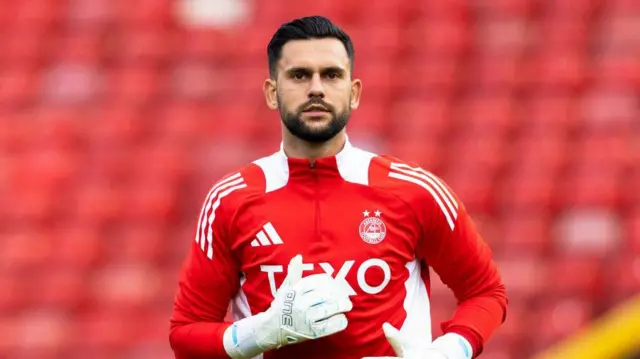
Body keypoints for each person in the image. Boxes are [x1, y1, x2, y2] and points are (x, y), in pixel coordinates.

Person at [169, 15, 508, 359]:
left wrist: (447, 352)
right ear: (272, 93)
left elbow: (486, 292)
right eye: (299, 75)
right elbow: (185, 335)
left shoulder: (414, 191)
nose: (316, 88)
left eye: (331, 75)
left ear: (354, 92)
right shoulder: (230, 200)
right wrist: (259, 332)